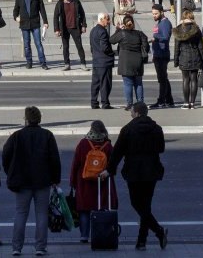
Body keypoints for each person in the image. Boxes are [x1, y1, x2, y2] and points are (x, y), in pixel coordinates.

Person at [106, 101, 167, 250]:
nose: (131, 114)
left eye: (132, 111)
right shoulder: (157, 129)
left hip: (133, 171)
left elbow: (117, 152)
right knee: (146, 205)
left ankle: (156, 233)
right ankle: (142, 240)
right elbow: (161, 148)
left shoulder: (127, 129)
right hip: (152, 171)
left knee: (137, 204)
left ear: (137, 113)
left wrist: (110, 169)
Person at [2, 105, 60, 258]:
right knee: (41, 214)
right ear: (39, 118)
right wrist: (55, 179)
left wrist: (10, 172)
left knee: (21, 213)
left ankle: (17, 247)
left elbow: (6, 155)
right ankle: (40, 247)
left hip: (22, 180)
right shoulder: (47, 135)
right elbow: (54, 159)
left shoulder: (17, 136)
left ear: (26, 119)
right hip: (42, 180)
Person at [69, 120, 117, 247]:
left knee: (84, 210)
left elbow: (76, 164)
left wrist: (73, 181)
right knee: (100, 208)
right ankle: (100, 233)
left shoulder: (83, 143)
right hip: (102, 182)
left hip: (84, 181)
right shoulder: (107, 145)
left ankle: (84, 235)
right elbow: (112, 165)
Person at [111, 14, 149, 109]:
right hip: (137, 61)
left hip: (126, 62)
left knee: (128, 84)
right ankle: (141, 103)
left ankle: (130, 104)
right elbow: (146, 47)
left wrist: (118, 29)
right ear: (133, 23)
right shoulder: (140, 34)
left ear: (124, 24)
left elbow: (111, 40)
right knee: (138, 83)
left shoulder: (122, 33)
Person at [12, 0, 49, 70]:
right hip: (24, 24)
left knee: (38, 44)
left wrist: (45, 21)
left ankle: (43, 63)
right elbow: (15, 11)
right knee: (26, 45)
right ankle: (29, 62)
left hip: (35, 23)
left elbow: (42, 9)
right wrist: (16, 18)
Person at [173, 9, 203, 110]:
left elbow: (176, 47)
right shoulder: (196, 29)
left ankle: (186, 103)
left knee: (185, 80)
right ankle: (193, 103)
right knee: (194, 80)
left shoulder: (178, 29)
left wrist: (176, 61)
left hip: (184, 57)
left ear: (182, 18)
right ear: (192, 17)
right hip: (195, 57)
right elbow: (201, 46)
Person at [53, 0, 88, 71]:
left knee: (79, 46)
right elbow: (55, 17)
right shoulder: (60, 3)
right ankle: (67, 64)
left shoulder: (76, 1)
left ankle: (83, 64)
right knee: (65, 47)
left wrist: (83, 25)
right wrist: (57, 29)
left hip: (75, 27)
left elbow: (82, 14)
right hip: (64, 28)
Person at [148, 4, 175, 109]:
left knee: (162, 79)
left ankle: (161, 100)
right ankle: (169, 100)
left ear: (161, 12)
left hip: (162, 54)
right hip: (158, 53)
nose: (154, 16)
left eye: (155, 13)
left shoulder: (165, 23)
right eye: (153, 14)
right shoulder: (160, 22)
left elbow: (166, 37)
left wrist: (155, 39)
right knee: (163, 78)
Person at [89, 13, 115, 110]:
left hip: (96, 60)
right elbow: (105, 48)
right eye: (107, 19)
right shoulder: (103, 31)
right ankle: (105, 103)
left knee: (95, 83)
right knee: (105, 83)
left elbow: (92, 47)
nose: (109, 22)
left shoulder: (93, 30)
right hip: (104, 62)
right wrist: (112, 53)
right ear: (102, 19)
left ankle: (94, 102)